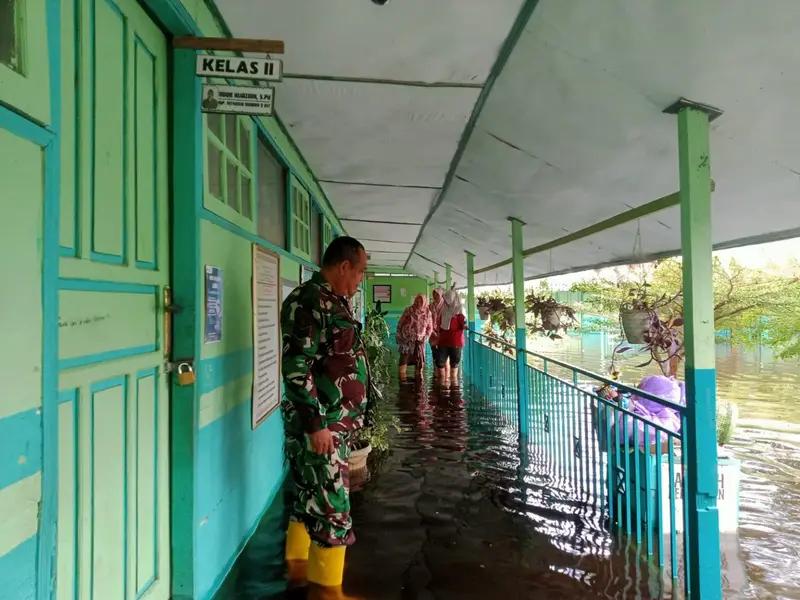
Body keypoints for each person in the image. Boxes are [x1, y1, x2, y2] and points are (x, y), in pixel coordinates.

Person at [281, 236, 369, 593]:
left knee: (307, 503)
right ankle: (328, 592)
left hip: (331, 425)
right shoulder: (311, 301)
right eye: (360, 271)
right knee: (333, 513)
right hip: (322, 430)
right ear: (344, 265)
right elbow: (296, 367)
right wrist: (316, 426)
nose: (361, 279)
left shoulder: (333, 301)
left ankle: (296, 574)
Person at [396, 294, 434, 380]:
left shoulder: (428, 312)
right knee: (403, 363)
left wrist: (426, 337)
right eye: (417, 300)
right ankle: (403, 386)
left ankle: (418, 387)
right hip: (406, 341)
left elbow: (430, 327)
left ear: (425, 302)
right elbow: (400, 323)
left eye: (421, 300)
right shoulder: (408, 310)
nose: (418, 302)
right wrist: (399, 336)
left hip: (420, 341)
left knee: (419, 366)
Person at [436, 289, 467, 383]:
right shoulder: (444, 309)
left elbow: (464, 324)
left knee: (454, 365)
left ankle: (453, 388)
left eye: (447, 299)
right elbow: (439, 324)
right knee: (440, 363)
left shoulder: (460, 310)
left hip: (455, 342)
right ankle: (442, 386)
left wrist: (463, 324)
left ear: (452, 298)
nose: (446, 301)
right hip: (443, 341)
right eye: (445, 299)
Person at [429, 288, 445, 377]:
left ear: (441, 295)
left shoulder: (446, 306)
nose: (435, 296)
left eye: (437, 295)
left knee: (442, 352)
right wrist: (432, 330)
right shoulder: (430, 306)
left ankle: (442, 373)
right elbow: (427, 319)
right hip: (432, 333)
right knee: (434, 351)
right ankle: (436, 370)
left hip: (443, 332)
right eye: (434, 295)